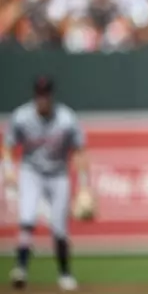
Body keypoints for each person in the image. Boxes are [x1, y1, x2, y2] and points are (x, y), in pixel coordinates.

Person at [2, 75, 92, 291]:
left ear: (51, 96)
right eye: (39, 95)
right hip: (31, 171)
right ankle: (21, 269)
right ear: (35, 95)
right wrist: (8, 170)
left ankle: (65, 273)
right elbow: (7, 146)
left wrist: (84, 183)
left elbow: (79, 150)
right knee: (27, 217)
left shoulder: (66, 118)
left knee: (60, 227)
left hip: (58, 174)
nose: (42, 99)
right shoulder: (22, 116)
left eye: (46, 95)